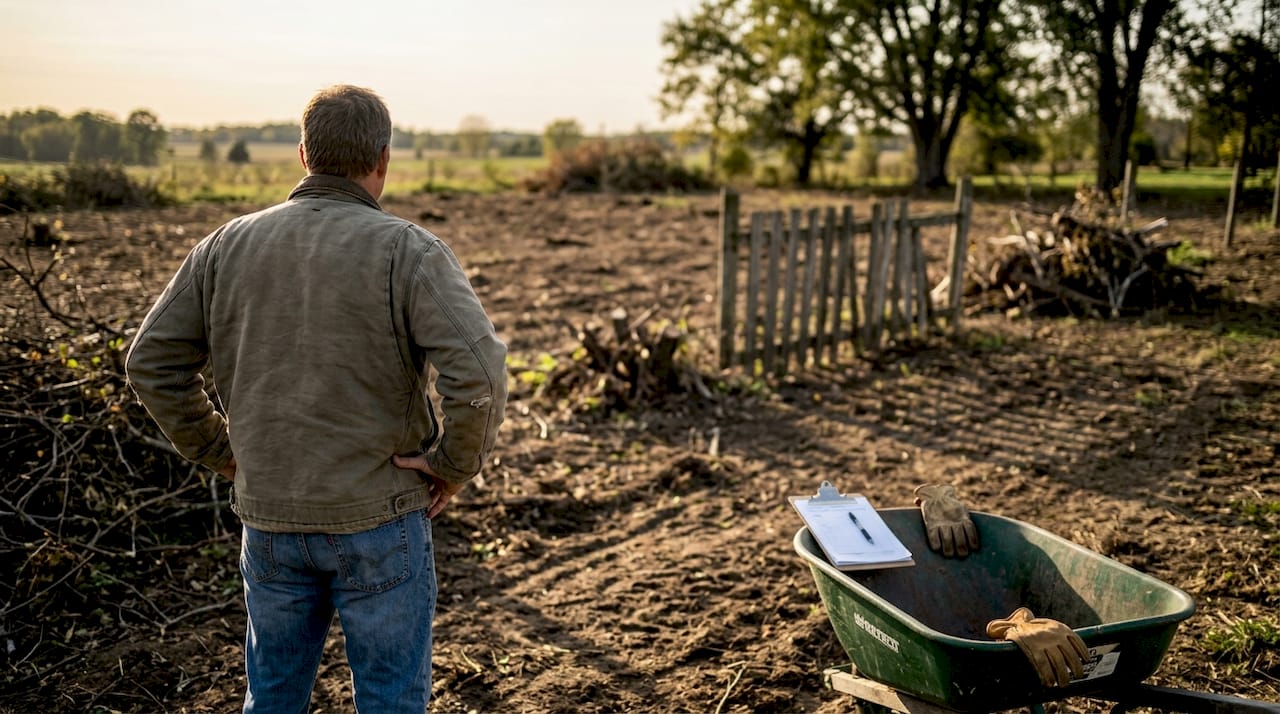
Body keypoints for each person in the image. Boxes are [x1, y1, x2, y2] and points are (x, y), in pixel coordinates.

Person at [126, 84, 508, 713]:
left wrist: (223, 451)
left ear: (303, 155)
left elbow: (151, 364)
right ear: (383, 159)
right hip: (381, 517)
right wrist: (452, 466)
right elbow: (481, 375)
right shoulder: (410, 251)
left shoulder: (224, 247)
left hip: (269, 520)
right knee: (389, 698)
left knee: (272, 695)